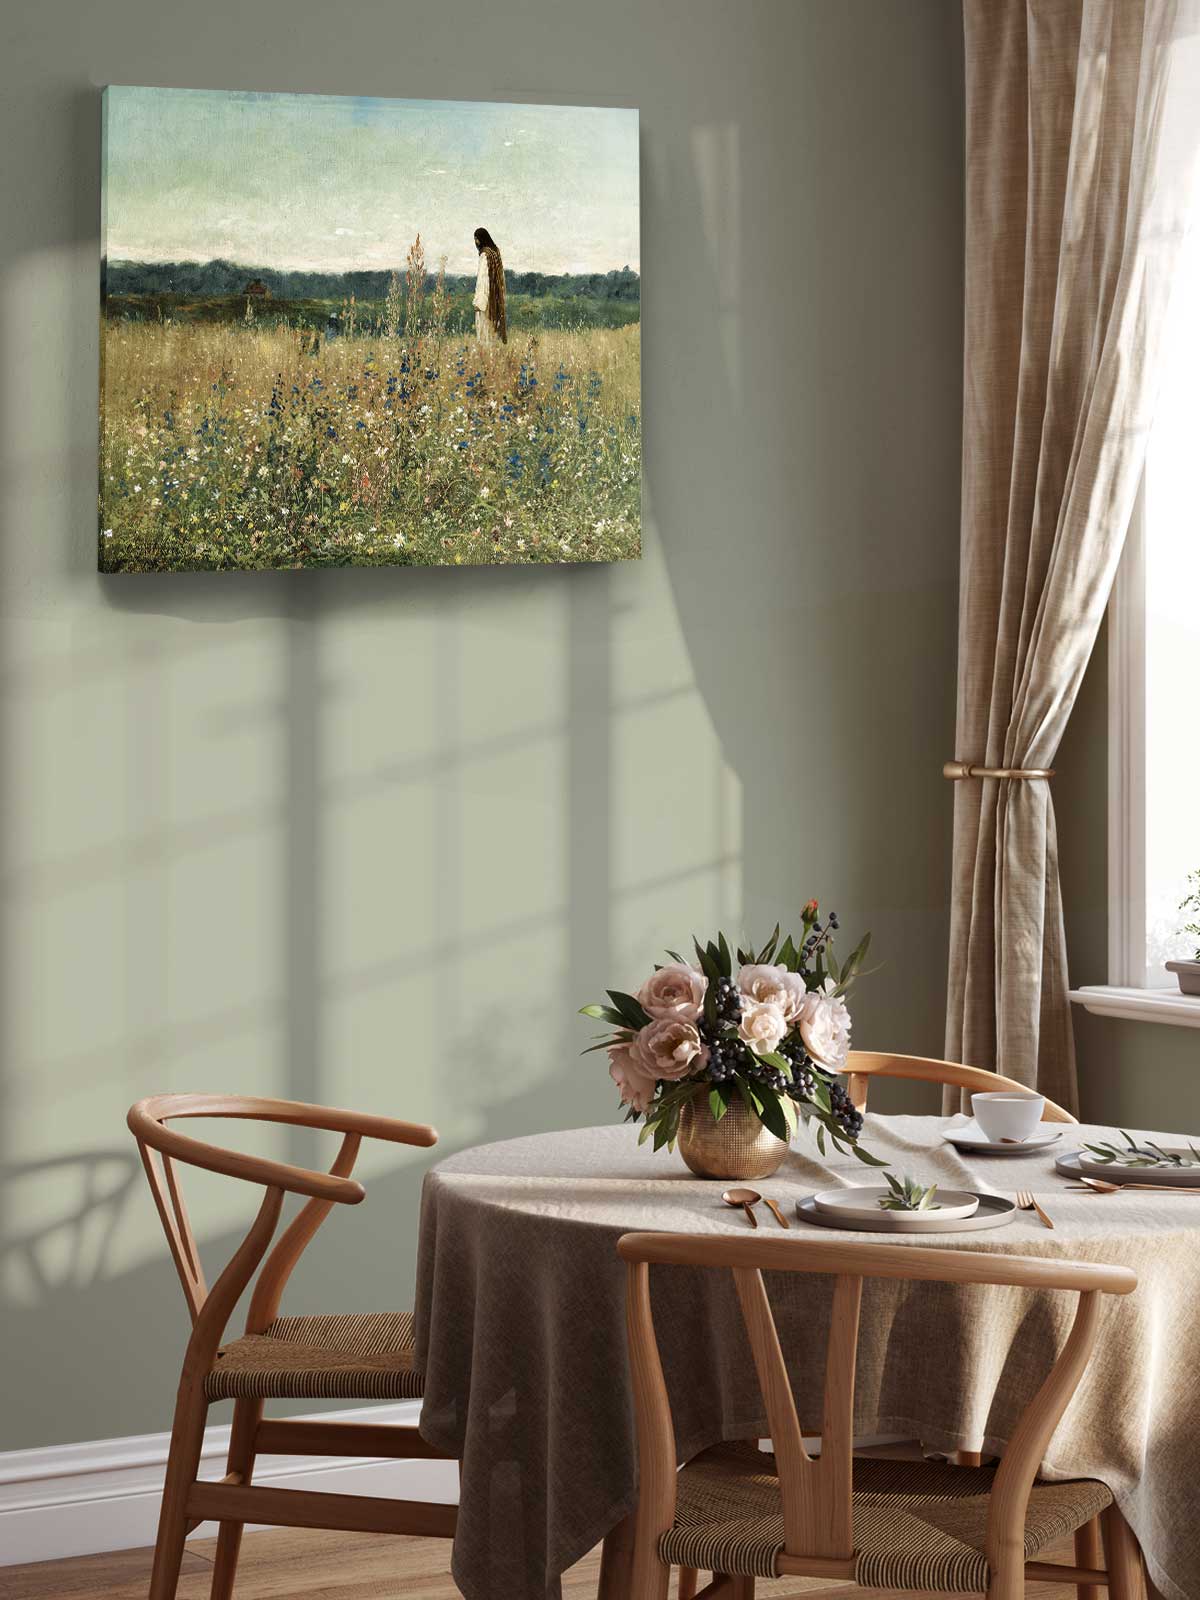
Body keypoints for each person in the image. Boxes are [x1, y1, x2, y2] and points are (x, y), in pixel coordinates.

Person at [473, 227, 507, 345]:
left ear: (480, 239)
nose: (476, 242)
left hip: (486, 302)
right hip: (496, 301)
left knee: (485, 334)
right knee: (493, 332)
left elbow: (483, 280)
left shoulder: (485, 255)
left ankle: (486, 355)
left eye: (476, 239)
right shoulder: (495, 253)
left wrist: (479, 303)